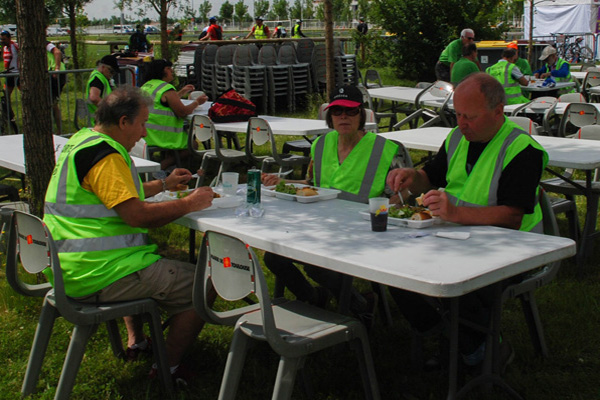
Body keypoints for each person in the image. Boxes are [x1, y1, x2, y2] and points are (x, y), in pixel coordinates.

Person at [43, 86, 215, 381]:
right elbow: (137, 216)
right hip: (100, 272)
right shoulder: (106, 156)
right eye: (142, 123)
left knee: (139, 259)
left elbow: (114, 193)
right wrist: (190, 203)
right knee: (207, 281)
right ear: (123, 122)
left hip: (70, 267)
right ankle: (167, 367)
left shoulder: (82, 141)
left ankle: (138, 341)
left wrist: (163, 184)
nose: (145, 133)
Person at [386, 73, 547, 368]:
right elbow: (430, 176)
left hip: (515, 248)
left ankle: (475, 350)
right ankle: (453, 337)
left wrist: (456, 213)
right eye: (458, 114)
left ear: (498, 112)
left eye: (470, 116)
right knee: (395, 271)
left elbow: (512, 217)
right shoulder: (458, 138)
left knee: (457, 281)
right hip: (457, 237)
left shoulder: (522, 150)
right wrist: (412, 177)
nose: (461, 123)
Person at [261, 85, 405, 326]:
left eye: (351, 111)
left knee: (315, 266)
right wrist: (283, 183)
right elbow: (313, 183)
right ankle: (313, 297)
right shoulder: (320, 144)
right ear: (330, 116)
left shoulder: (385, 149)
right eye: (337, 111)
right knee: (273, 257)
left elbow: (402, 194)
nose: (343, 117)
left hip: (362, 227)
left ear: (361, 115)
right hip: (319, 223)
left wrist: (378, 214)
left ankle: (361, 304)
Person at [140, 59, 208, 170]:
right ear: (161, 71)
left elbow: (162, 102)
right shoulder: (166, 88)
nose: (172, 71)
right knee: (193, 145)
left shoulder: (146, 86)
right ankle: (164, 164)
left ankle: (169, 166)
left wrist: (181, 93)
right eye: (168, 68)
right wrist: (197, 102)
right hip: (163, 135)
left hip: (146, 134)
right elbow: (183, 112)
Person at [86, 54, 120, 123]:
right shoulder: (98, 78)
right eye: (111, 71)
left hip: (103, 118)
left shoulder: (103, 78)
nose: (112, 74)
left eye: (114, 72)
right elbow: (94, 98)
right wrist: (109, 109)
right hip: (100, 119)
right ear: (103, 67)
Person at [47, 40, 66, 135]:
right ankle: (57, 130)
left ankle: (58, 130)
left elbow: (57, 52)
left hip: (55, 74)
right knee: (52, 103)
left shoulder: (45, 44)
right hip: (52, 74)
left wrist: (56, 68)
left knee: (52, 103)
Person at [1, 30, 19, 96]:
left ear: (9, 38)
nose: (2, 41)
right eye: (1, 39)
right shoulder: (4, 47)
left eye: (4, 39)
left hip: (17, 73)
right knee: (6, 94)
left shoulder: (15, 45)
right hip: (9, 74)